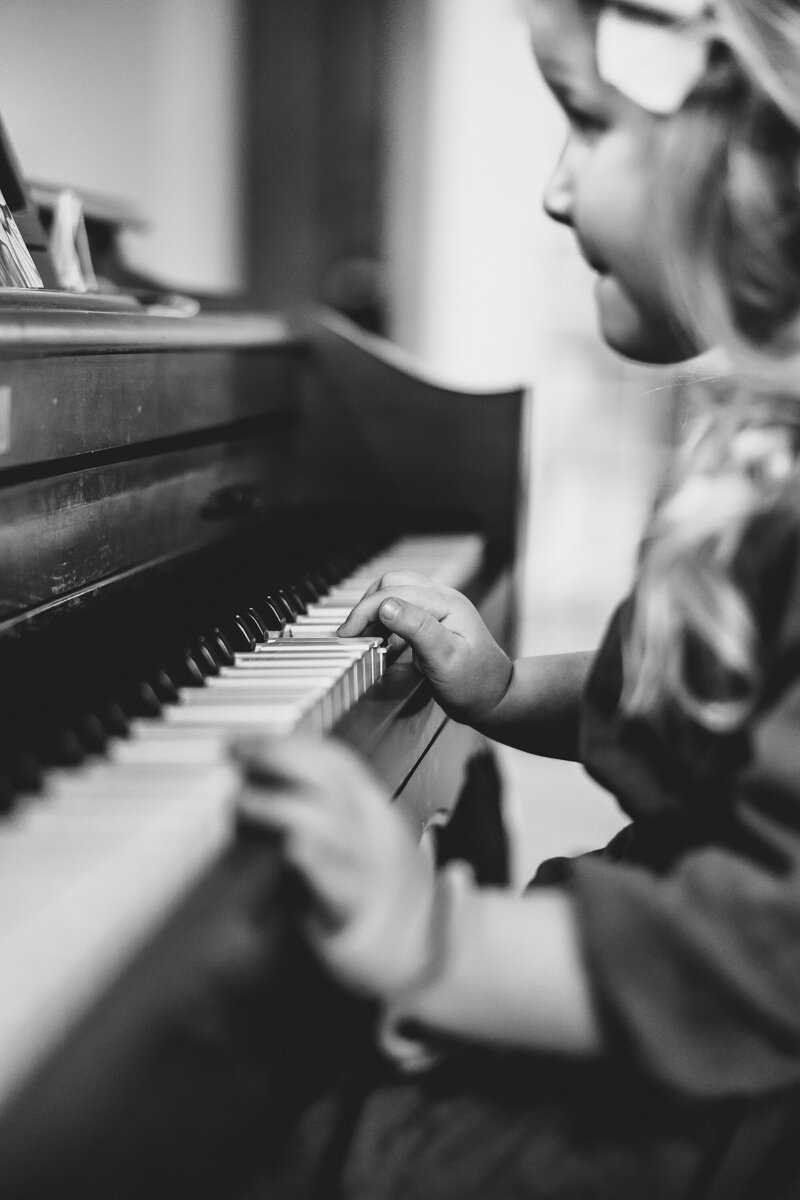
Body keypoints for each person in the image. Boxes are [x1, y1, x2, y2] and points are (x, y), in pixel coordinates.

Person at [234, 1, 800, 1195]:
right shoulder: (756, 453)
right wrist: (500, 688)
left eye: (586, 124)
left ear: (756, 167)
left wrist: (437, 942)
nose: (553, 190)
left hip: (722, 1109)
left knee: (315, 1155)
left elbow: (771, 950)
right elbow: (675, 708)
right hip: (670, 1012)